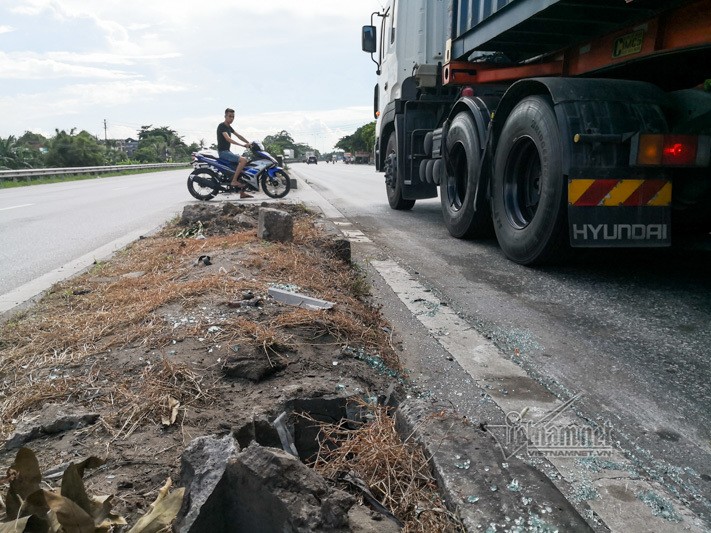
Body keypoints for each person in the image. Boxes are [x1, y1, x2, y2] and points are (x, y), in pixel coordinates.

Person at [217, 108, 253, 198]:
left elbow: (239, 136)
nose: (231, 118)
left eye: (233, 117)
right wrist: (242, 145)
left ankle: (242, 192)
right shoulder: (222, 126)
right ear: (225, 116)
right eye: (230, 116)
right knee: (243, 160)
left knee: (245, 166)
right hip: (223, 152)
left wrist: (249, 143)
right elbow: (228, 139)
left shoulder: (229, 127)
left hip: (227, 151)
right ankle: (234, 181)